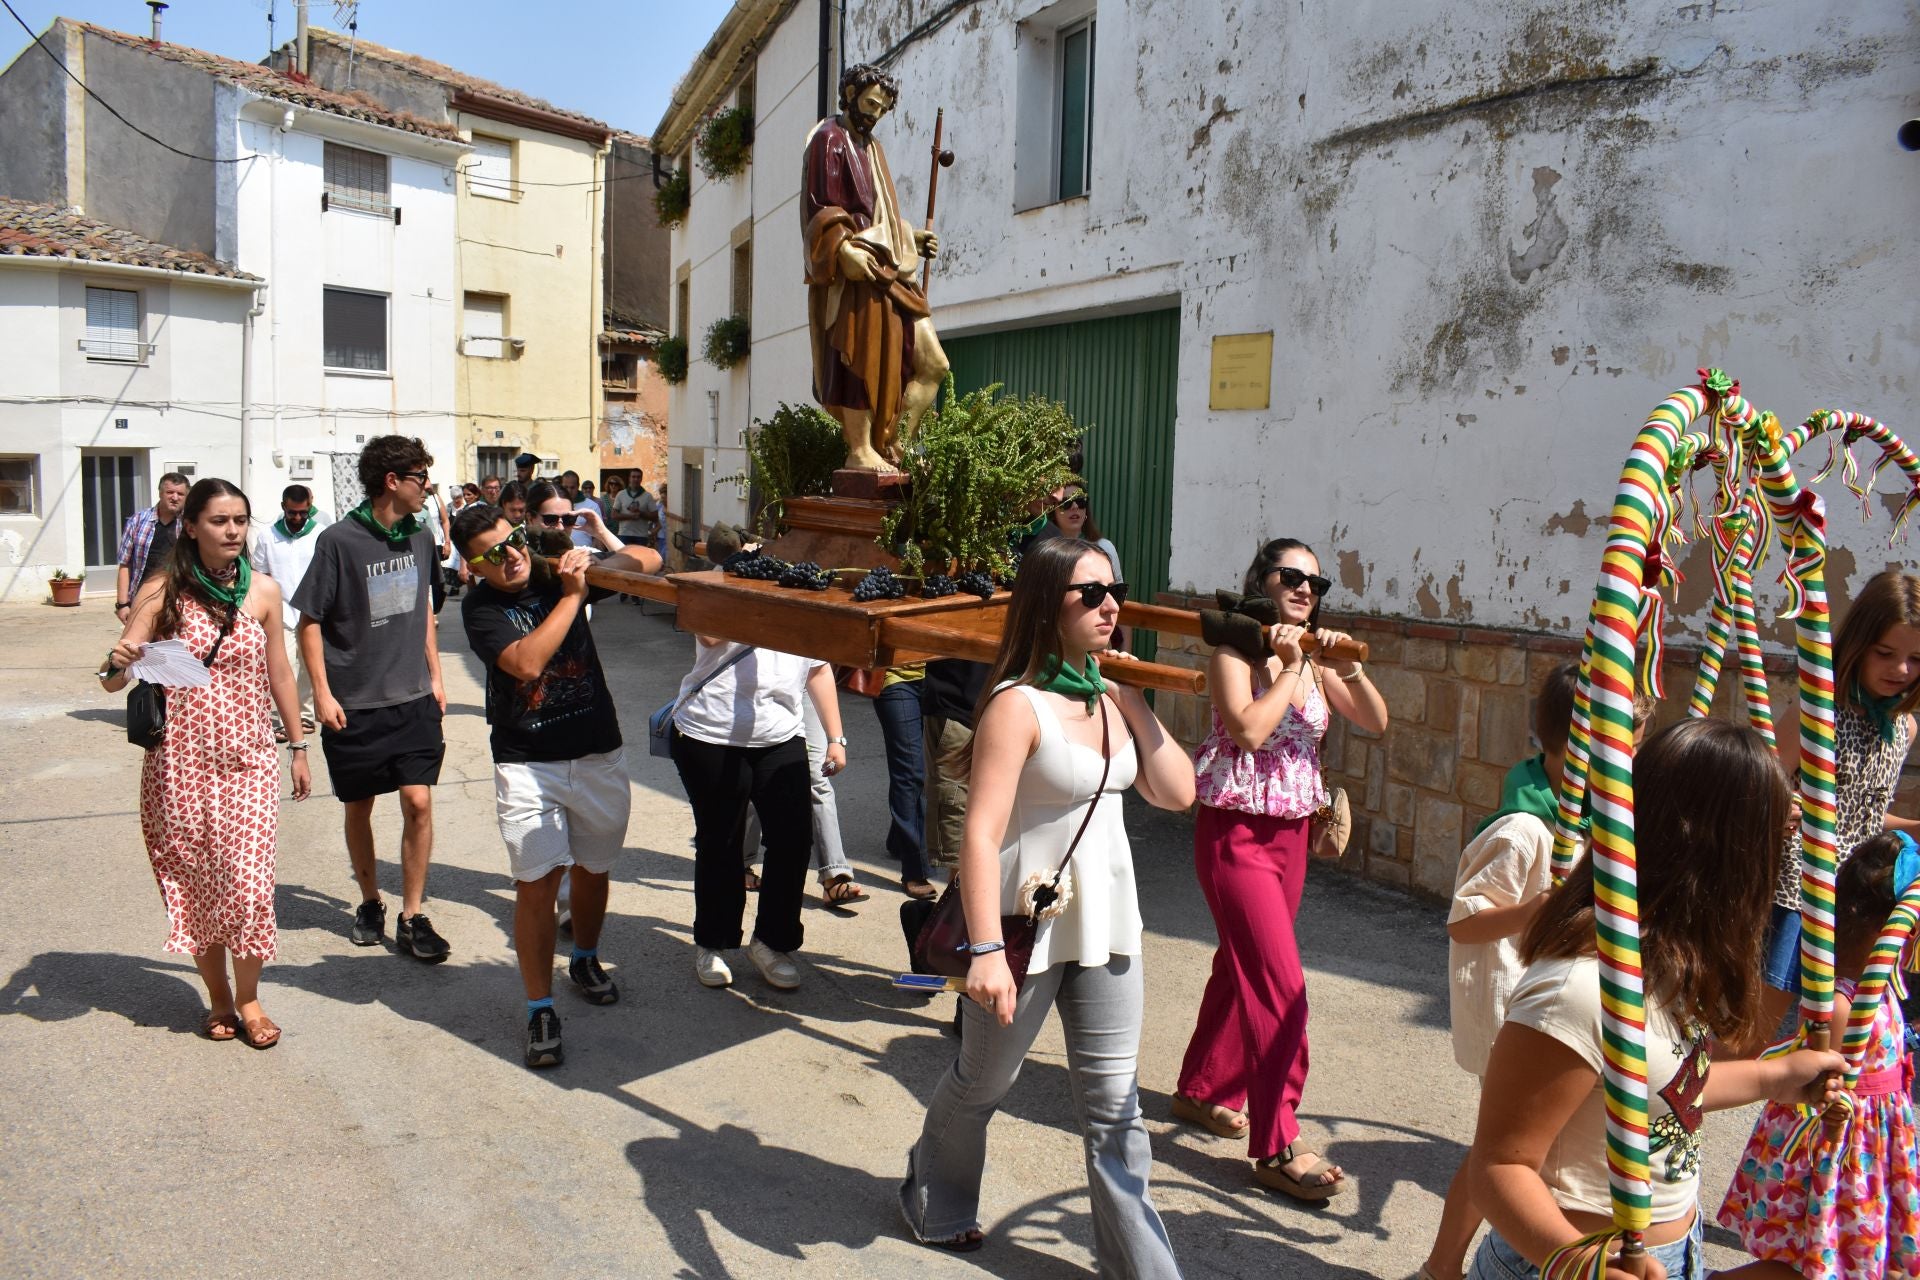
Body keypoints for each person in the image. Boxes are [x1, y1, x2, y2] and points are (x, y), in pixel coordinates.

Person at [898, 537, 1195, 1265]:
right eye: (1089, 594)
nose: (1109, 605)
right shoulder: (1016, 704)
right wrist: (988, 954)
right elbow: (979, 833)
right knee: (982, 1081)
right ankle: (931, 1192)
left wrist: (1130, 692)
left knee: (1116, 1110)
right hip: (1018, 929)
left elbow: (1178, 792)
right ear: (1045, 605)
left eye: (1114, 591)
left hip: (1107, 926)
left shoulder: (1111, 696)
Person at [1468, 718, 1845, 1280]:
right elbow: (1498, 1166)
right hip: (1568, 1261)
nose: (1782, 864)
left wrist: (1778, 1077)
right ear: (1719, 856)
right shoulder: (1577, 991)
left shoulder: (1671, 966)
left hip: (1671, 1252)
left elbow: (1665, 1087)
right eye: (1774, 842)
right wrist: (1579, 1265)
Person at [1172, 537, 1387, 1200]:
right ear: (1261, 579)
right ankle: (1277, 1143)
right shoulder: (1234, 654)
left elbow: (1376, 721)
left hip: (1291, 837)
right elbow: (1248, 730)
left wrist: (1341, 665)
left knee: (1242, 971)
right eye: (1291, 577)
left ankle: (1203, 1088)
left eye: (1315, 585)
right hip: (1235, 837)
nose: (1304, 590)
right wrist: (1291, 667)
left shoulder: (1316, 661)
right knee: (1281, 989)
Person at [1423, 664, 1655, 1279]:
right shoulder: (1526, 829)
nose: (1631, 756)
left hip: (1564, 1015)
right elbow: (1463, 921)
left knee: (1525, 1155)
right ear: (1585, 744)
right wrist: (1535, 910)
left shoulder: (1598, 814)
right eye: (1622, 742)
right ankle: (1445, 1266)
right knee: (1504, 1158)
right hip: (1521, 1015)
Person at [99, 478, 312, 1049]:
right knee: (197, 884)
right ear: (191, 526)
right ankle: (218, 1000)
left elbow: (281, 675)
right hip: (180, 763)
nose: (233, 531)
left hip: (246, 760)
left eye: (240, 520)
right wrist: (120, 662)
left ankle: (249, 997)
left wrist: (297, 746)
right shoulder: (163, 590)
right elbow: (115, 676)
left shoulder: (263, 591)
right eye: (220, 521)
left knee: (247, 884)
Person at [455, 503, 661, 1069]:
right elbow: (524, 663)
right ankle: (539, 1006)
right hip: (528, 764)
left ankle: (586, 957)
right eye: (493, 555)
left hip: (597, 753)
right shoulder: (480, 609)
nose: (512, 557)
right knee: (537, 883)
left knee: (595, 870)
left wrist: (596, 558)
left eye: (514, 540)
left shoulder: (553, 571)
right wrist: (574, 597)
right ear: (473, 567)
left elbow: (651, 558)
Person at [1718, 829, 1920, 1279]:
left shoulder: (1882, 985)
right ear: (1890, 929)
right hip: (1838, 1153)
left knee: (1849, 1260)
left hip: (1875, 1146)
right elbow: (1805, 1077)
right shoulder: (1844, 1007)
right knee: (1804, 1264)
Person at [294, 435, 449, 962]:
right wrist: (321, 692)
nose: (428, 489)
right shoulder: (339, 541)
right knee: (358, 806)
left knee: (418, 800)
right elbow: (309, 623)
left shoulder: (422, 538)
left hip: (412, 698)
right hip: (354, 702)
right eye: (421, 479)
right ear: (393, 481)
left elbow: (423, 608)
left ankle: (412, 914)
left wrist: (437, 674)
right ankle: (369, 902)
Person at [1763, 570, 1920, 1032]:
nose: (1902, 670)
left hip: (1851, 901)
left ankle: (1794, 1106)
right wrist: (1780, 807)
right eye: (1886, 654)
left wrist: (1913, 827)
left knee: (1832, 1030)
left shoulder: (1903, 729)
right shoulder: (1818, 712)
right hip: (1794, 894)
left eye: (1916, 658)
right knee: (1758, 1033)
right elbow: (1759, 784)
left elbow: (1863, 817)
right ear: (1858, 642)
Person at [667, 630, 849, 992]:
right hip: (711, 734)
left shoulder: (804, 593)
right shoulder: (726, 580)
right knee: (722, 840)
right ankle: (712, 942)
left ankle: (772, 943)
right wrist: (758, 603)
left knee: (794, 840)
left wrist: (835, 737)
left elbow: (818, 668)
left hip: (780, 734)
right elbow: (710, 635)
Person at [803, 62, 948, 471]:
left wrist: (909, 239)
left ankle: (893, 445)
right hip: (856, 264)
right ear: (849, 94)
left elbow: (880, 216)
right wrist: (841, 248)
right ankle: (860, 449)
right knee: (859, 356)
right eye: (870, 103)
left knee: (933, 363)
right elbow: (820, 209)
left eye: (883, 108)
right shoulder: (828, 139)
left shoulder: (873, 148)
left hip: (888, 263)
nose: (875, 113)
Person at [253, 484, 328, 742]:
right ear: (283, 507)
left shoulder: (320, 534)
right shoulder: (267, 536)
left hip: (313, 611)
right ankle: (289, 718)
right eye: (292, 513)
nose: (297, 519)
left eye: (303, 513)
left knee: (309, 665)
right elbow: (260, 573)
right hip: (281, 611)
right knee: (285, 666)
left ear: (310, 508)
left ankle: (305, 716)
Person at [872, 666, 935, 897]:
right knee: (909, 771)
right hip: (896, 679)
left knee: (928, 769)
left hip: (940, 678)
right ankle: (914, 869)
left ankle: (900, 839)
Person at [115, 471, 189, 624]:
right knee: (139, 645)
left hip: (178, 600)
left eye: (180, 494)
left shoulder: (189, 525)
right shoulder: (138, 521)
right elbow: (124, 563)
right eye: (170, 492)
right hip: (142, 598)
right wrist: (123, 604)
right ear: (160, 493)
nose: (175, 497)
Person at [612, 467, 660, 548]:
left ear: (641, 479)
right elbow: (614, 515)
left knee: (639, 560)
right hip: (624, 534)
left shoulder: (647, 496)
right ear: (629, 478)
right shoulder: (621, 494)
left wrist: (640, 513)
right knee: (624, 559)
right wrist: (630, 516)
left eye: (638, 477)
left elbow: (655, 516)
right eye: (633, 477)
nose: (636, 479)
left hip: (641, 536)